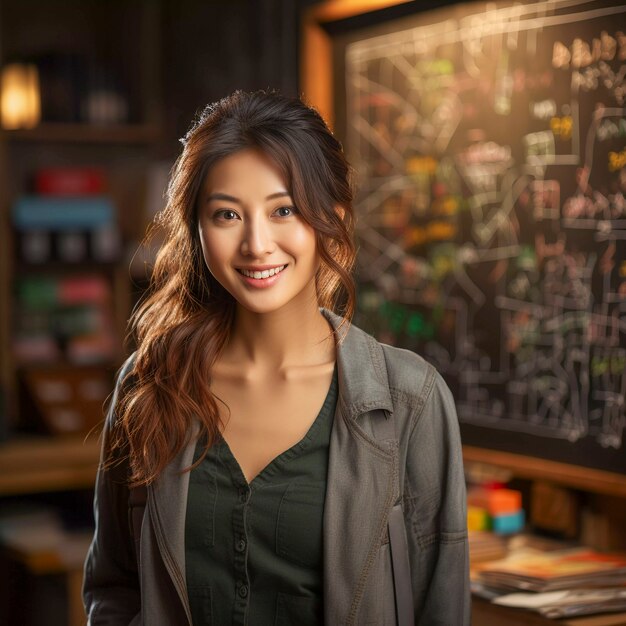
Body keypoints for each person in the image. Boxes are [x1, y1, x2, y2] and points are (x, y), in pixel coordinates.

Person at [82, 89, 470, 626]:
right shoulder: (148, 384)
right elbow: (114, 589)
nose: (257, 244)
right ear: (196, 229)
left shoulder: (411, 400)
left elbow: (441, 605)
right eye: (226, 215)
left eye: (283, 209)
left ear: (331, 217)